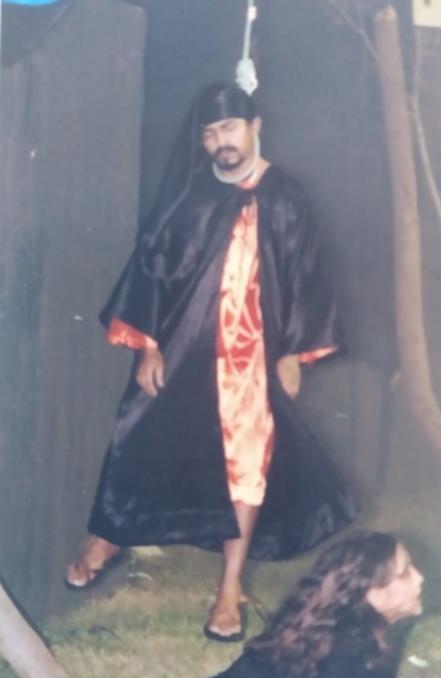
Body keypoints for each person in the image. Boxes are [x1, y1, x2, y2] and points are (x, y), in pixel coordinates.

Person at [65, 81, 357, 641]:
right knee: (139, 432)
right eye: (209, 132)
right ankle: (107, 536)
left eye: (228, 128)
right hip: (184, 345)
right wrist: (149, 345)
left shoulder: (287, 196)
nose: (219, 141)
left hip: (252, 360)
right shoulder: (191, 194)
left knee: (248, 464)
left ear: (254, 126)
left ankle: (228, 588)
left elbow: (308, 275)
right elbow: (152, 265)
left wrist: (293, 354)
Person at [164, 530, 424, 678]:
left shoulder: (322, 629)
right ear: (374, 594)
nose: (420, 578)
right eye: (405, 572)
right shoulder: (355, 658)